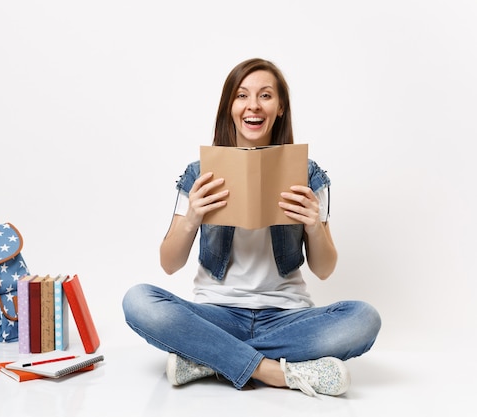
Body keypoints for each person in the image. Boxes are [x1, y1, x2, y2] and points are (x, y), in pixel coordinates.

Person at [122, 58, 381, 397]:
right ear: (229, 106)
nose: (253, 105)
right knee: (138, 301)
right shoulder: (198, 173)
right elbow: (169, 263)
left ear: (281, 107)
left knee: (364, 319)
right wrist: (193, 218)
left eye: (265, 95)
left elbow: (325, 269)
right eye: (242, 95)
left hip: (286, 317)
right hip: (216, 314)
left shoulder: (308, 173)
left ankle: (208, 358)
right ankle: (275, 372)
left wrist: (313, 225)